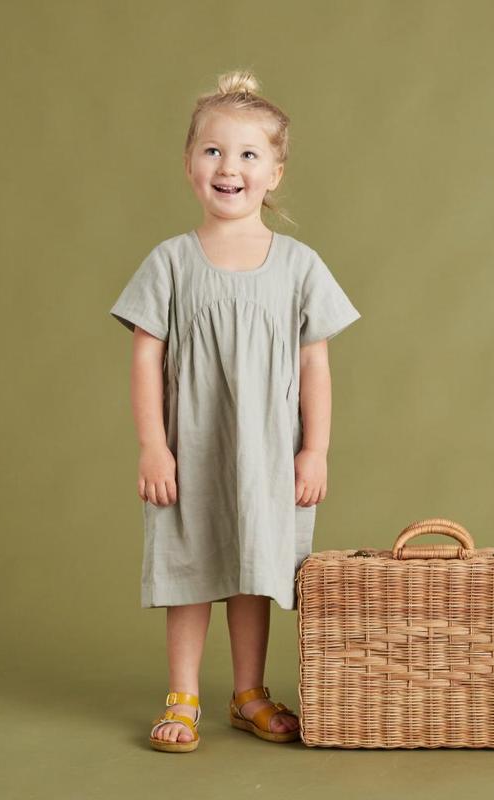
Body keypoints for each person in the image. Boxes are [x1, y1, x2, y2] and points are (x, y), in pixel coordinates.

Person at [109, 69, 362, 753]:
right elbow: (144, 358)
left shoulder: (300, 266)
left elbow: (316, 363)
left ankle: (247, 691)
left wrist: (315, 450)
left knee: (255, 566)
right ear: (190, 164)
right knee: (192, 566)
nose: (230, 167)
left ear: (275, 172)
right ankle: (183, 692)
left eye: (249, 155)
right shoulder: (170, 262)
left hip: (268, 452)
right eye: (214, 151)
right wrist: (152, 446)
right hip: (191, 448)